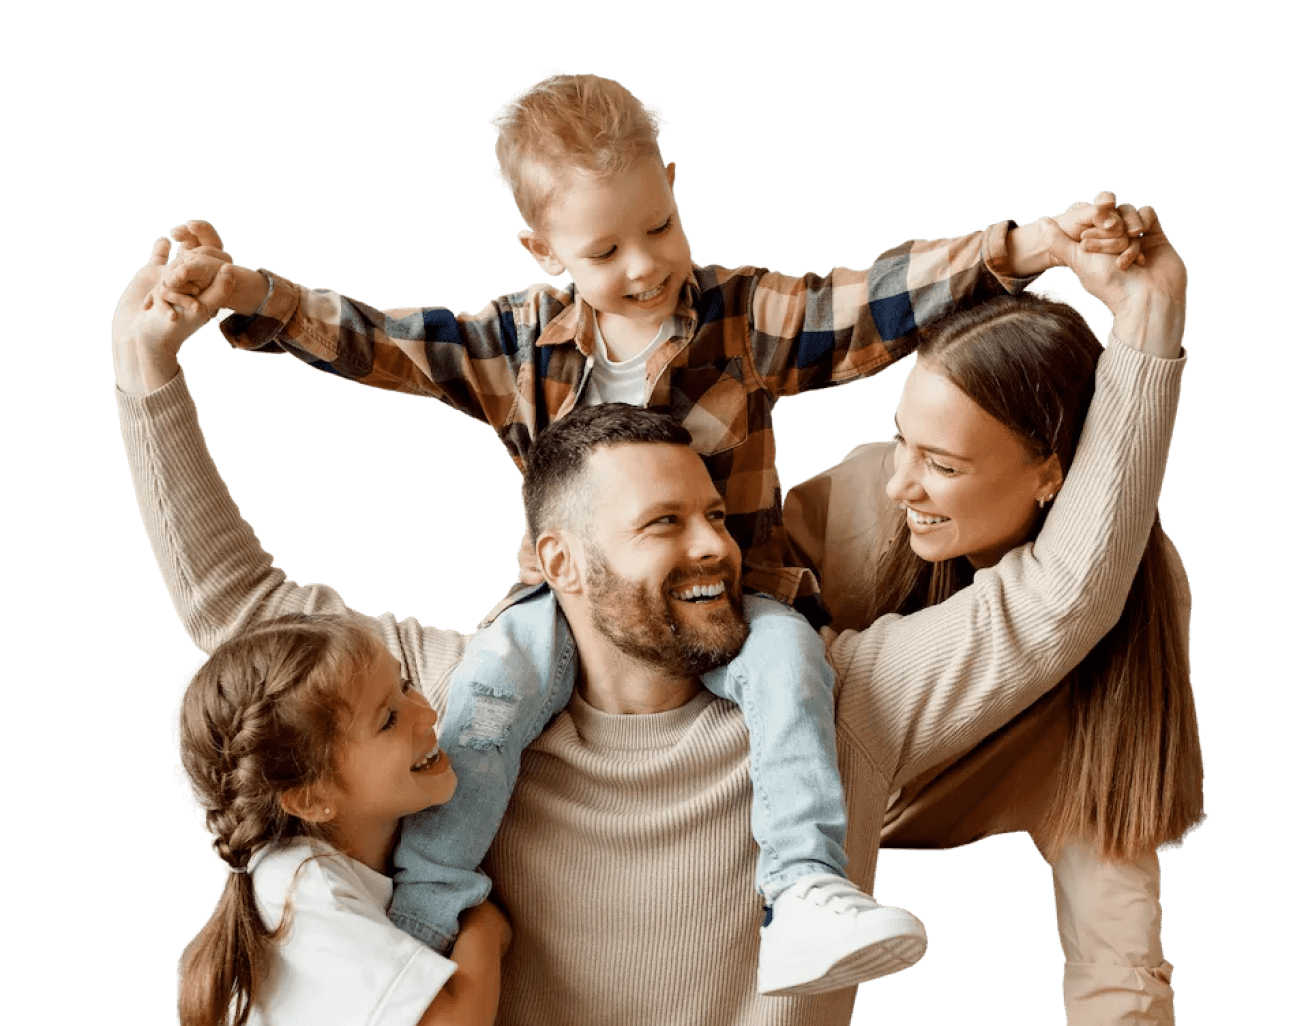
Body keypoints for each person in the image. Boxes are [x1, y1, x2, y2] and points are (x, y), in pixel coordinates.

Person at [148, 72, 1146, 989]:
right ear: (545, 254)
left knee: (794, 672)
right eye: (604, 252)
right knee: (486, 712)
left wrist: (1026, 248)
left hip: (743, 609)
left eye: (659, 228)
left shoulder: (738, 317)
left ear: (674, 186)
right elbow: (381, 342)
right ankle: (429, 910)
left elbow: (872, 302)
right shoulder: (515, 344)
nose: (644, 267)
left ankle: (799, 885)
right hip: (557, 619)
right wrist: (245, 295)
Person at [782, 278, 1201, 1025]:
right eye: (901, 438)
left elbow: (1115, 920)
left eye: (942, 465)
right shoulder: (849, 508)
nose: (899, 483)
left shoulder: (1128, 606)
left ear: (1053, 473)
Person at [171, 614, 511, 1026]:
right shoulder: (305, 890)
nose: (426, 714)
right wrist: (485, 928)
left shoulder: (362, 846)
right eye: (388, 720)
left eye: (404, 686)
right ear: (312, 799)